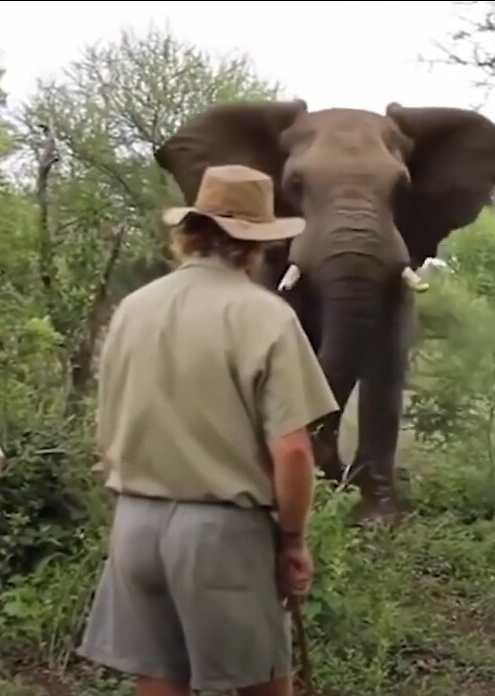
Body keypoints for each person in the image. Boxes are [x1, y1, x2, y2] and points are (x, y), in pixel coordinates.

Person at [77, 164, 340, 696]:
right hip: (222, 536)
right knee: (261, 683)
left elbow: (106, 425)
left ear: (190, 233)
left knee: (159, 676)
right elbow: (292, 451)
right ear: (255, 244)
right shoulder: (264, 316)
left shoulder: (132, 309)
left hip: (135, 525)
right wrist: (292, 539)